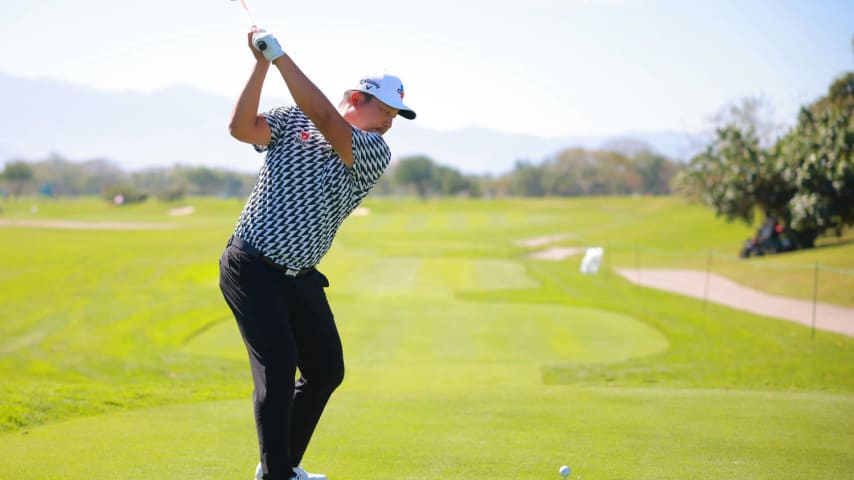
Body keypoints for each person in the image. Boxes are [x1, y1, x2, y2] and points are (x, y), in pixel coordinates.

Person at [218, 27, 415, 480]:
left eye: (395, 115)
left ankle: (281, 467)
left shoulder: (373, 150)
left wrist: (281, 57)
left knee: (326, 370)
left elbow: (327, 119)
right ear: (357, 98)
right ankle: (278, 474)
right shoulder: (292, 119)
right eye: (385, 110)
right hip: (251, 264)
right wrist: (261, 62)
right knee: (281, 367)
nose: (389, 122)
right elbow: (240, 128)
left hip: (298, 274)